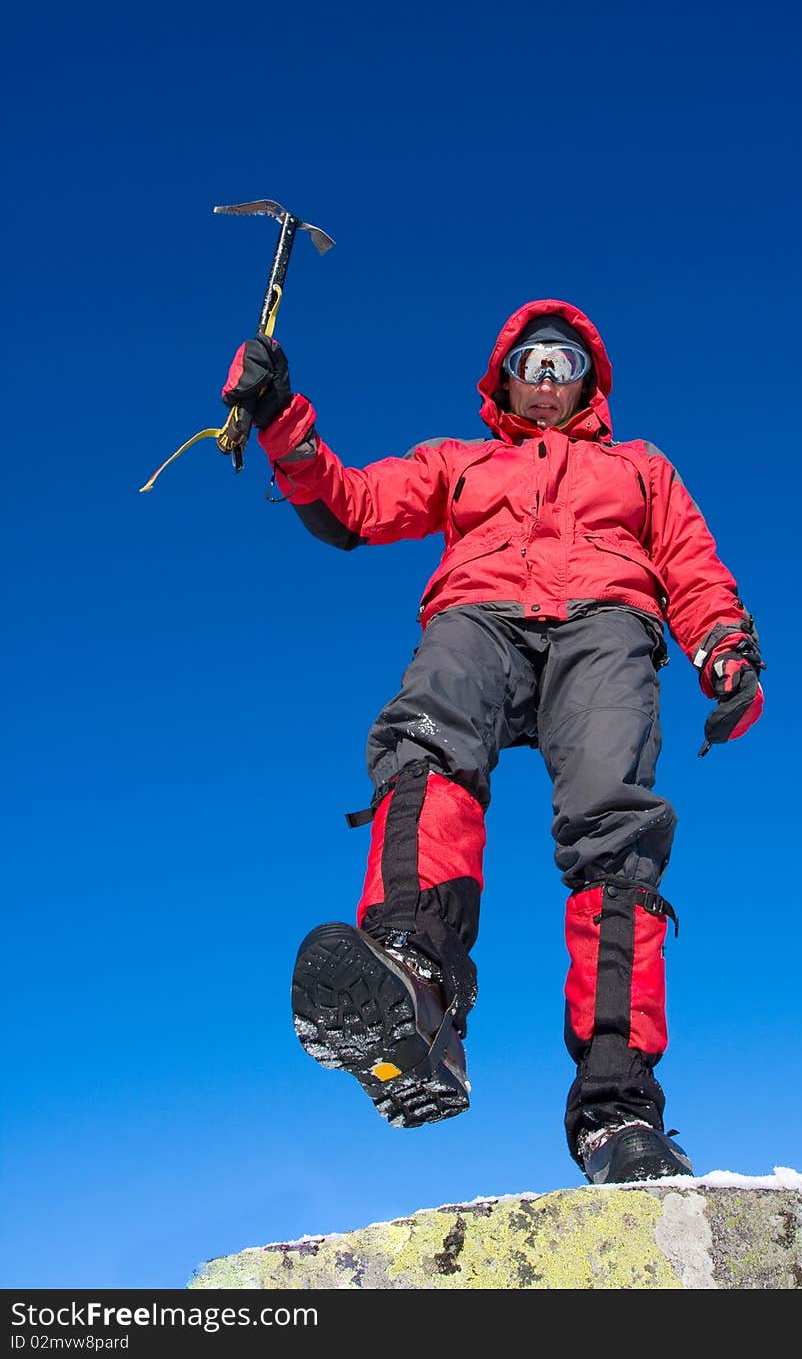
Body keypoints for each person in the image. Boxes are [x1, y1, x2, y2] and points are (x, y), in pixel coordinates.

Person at [222, 299, 765, 1184]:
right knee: (425, 738)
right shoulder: (461, 461)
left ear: (590, 384)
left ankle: (618, 1109)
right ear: (504, 380)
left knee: (613, 829)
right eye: (532, 364)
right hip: (479, 613)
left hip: (607, 620)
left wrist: (725, 645)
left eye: (566, 367)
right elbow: (354, 502)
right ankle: (416, 980)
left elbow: (691, 562)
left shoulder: (640, 467)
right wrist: (282, 418)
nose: (548, 381)